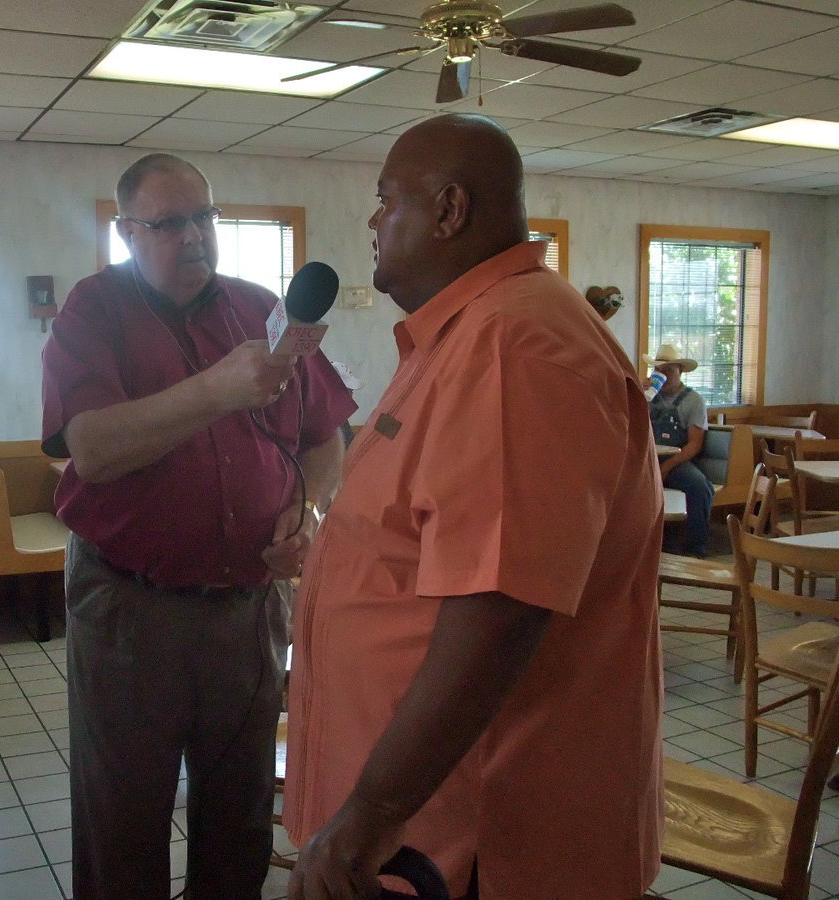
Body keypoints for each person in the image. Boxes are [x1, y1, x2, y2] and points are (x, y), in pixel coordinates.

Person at [283, 115, 664, 900]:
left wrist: (369, 815)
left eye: (386, 200)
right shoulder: (465, 336)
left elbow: (498, 611)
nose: (372, 221)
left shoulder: (514, 346)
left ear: (449, 210)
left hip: (476, 837)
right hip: (431, 825)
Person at [40, 153, 354, 899]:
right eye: (168, 223)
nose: (193, 238)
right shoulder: (93, 312)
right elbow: (92, 449)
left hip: (246, 610)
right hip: (130, 608)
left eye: (204, 218)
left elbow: (323, 439)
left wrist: (306, 508)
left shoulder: (259, 311)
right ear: (126, 232)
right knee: (124, 823)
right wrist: (217, 388)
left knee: (240, 819)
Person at [646, 343, 714, 557]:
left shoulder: (694, 401)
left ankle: (695, 549)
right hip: (647, 459)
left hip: (677, 461)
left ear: (680, 371)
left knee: (699, 487)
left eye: (668, 370)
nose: (663, 375)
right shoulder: (648, 397)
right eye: (658, 370)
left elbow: (695, 443)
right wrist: (639, 391)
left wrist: (667, 466)